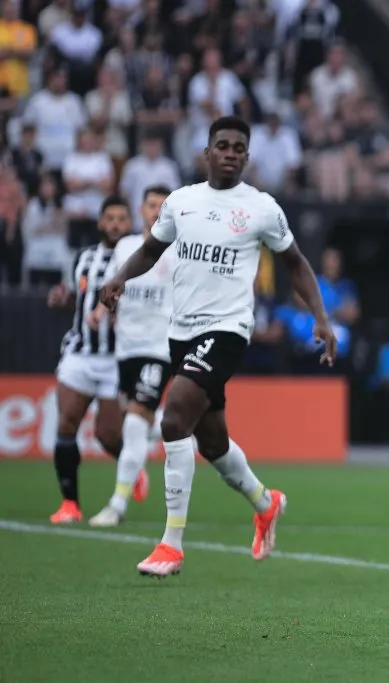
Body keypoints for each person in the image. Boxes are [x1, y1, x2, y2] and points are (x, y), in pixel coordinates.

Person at [100, 116, 338, 577]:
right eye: (223, 145)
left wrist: (321, 317)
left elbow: (297, 264)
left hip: (227, 329)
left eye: (238, 148)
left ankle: (171, 544)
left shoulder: (261, 208)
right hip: (181, 332)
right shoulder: (181, 202)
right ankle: (265, 503)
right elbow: (151, 250)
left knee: (173, 419)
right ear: (207, 152)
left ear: (246, 157)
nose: (230, 153)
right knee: (212, 442)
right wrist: (118, 279)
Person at [88, 185, 176, 526]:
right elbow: (114, 285)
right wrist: (99, 310)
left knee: (136, 420)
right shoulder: (125, 246)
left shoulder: (178, 249)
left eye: (162, 205)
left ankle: (118, 503)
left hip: (159, 349)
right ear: (141, 210)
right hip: (126, 350)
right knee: (135, 421)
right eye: (151, 204)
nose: (156, 210)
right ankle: (169, 424)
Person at [46, 195, 136, 523]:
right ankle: (70, 503)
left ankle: (131, 468)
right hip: (80, 352)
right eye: (109, 218)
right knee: (66, 423)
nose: (114, 224)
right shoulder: (83, 258)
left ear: (130, 223)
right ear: (100, 222)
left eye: (121, 219)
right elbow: (76, 295)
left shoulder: (138, 260)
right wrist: (63, 297)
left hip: (116, 357)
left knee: (108, 435)